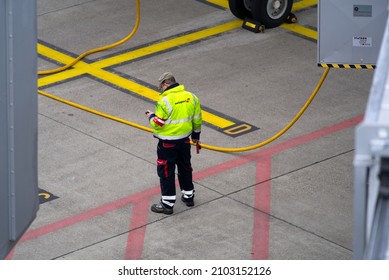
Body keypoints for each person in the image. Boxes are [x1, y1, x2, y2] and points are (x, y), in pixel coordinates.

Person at [145, 72, 202, 215]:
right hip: (184, 142)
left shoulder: (165, 101)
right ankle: (189, 197)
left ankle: (167, 204)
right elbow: (197, 118)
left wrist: (150, 115)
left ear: (165, 84)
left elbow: (158, 124)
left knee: (166, 172)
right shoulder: (191, 97)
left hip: (167, 145)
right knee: (185, 167)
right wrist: (196, 136)